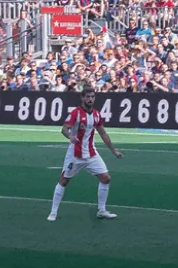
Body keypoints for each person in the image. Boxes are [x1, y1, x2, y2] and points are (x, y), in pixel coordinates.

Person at [48, 85, 124, 221]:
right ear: (82, 98)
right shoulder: (75, 113)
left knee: (106, 178)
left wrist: (114, 151)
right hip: (75, 155)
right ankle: (53, 212)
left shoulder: (96, 114)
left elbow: (103, 133)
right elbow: (64, 129)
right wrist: (70, 136)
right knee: (64, 181)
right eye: (87, 97)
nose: (90, 99)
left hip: (91, 153)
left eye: (92, 97)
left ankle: (101, 210)